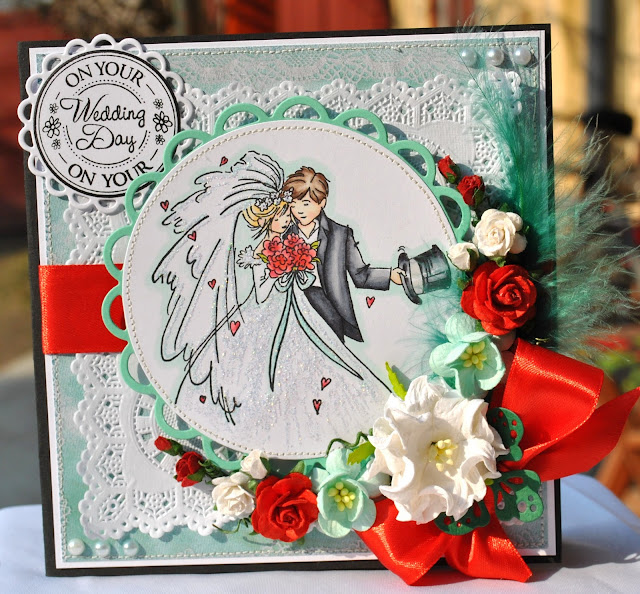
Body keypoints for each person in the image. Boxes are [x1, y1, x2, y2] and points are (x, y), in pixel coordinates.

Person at [283, 166, 405, 343]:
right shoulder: (284, 235)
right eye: (294, 204)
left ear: (322, 202)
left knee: (331, 335)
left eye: (306, 203)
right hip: (294, 303)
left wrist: (390, 275)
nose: (299, 210)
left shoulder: (340, 234)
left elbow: (360, 274)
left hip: (331, 305)